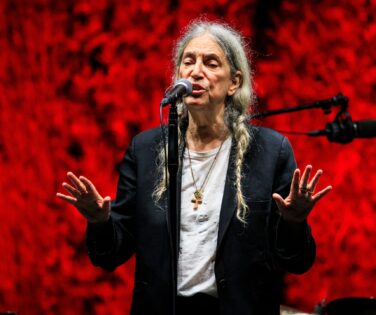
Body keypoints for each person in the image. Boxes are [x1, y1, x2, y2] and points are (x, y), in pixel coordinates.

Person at [57, 21, 332, 315]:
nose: (196, 71)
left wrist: (294, 222)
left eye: (211, 63)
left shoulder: (269, 152)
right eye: (188, 61)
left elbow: (296, 261)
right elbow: (111, 254)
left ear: (234, 82)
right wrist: (100, 222)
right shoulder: (145, 150)